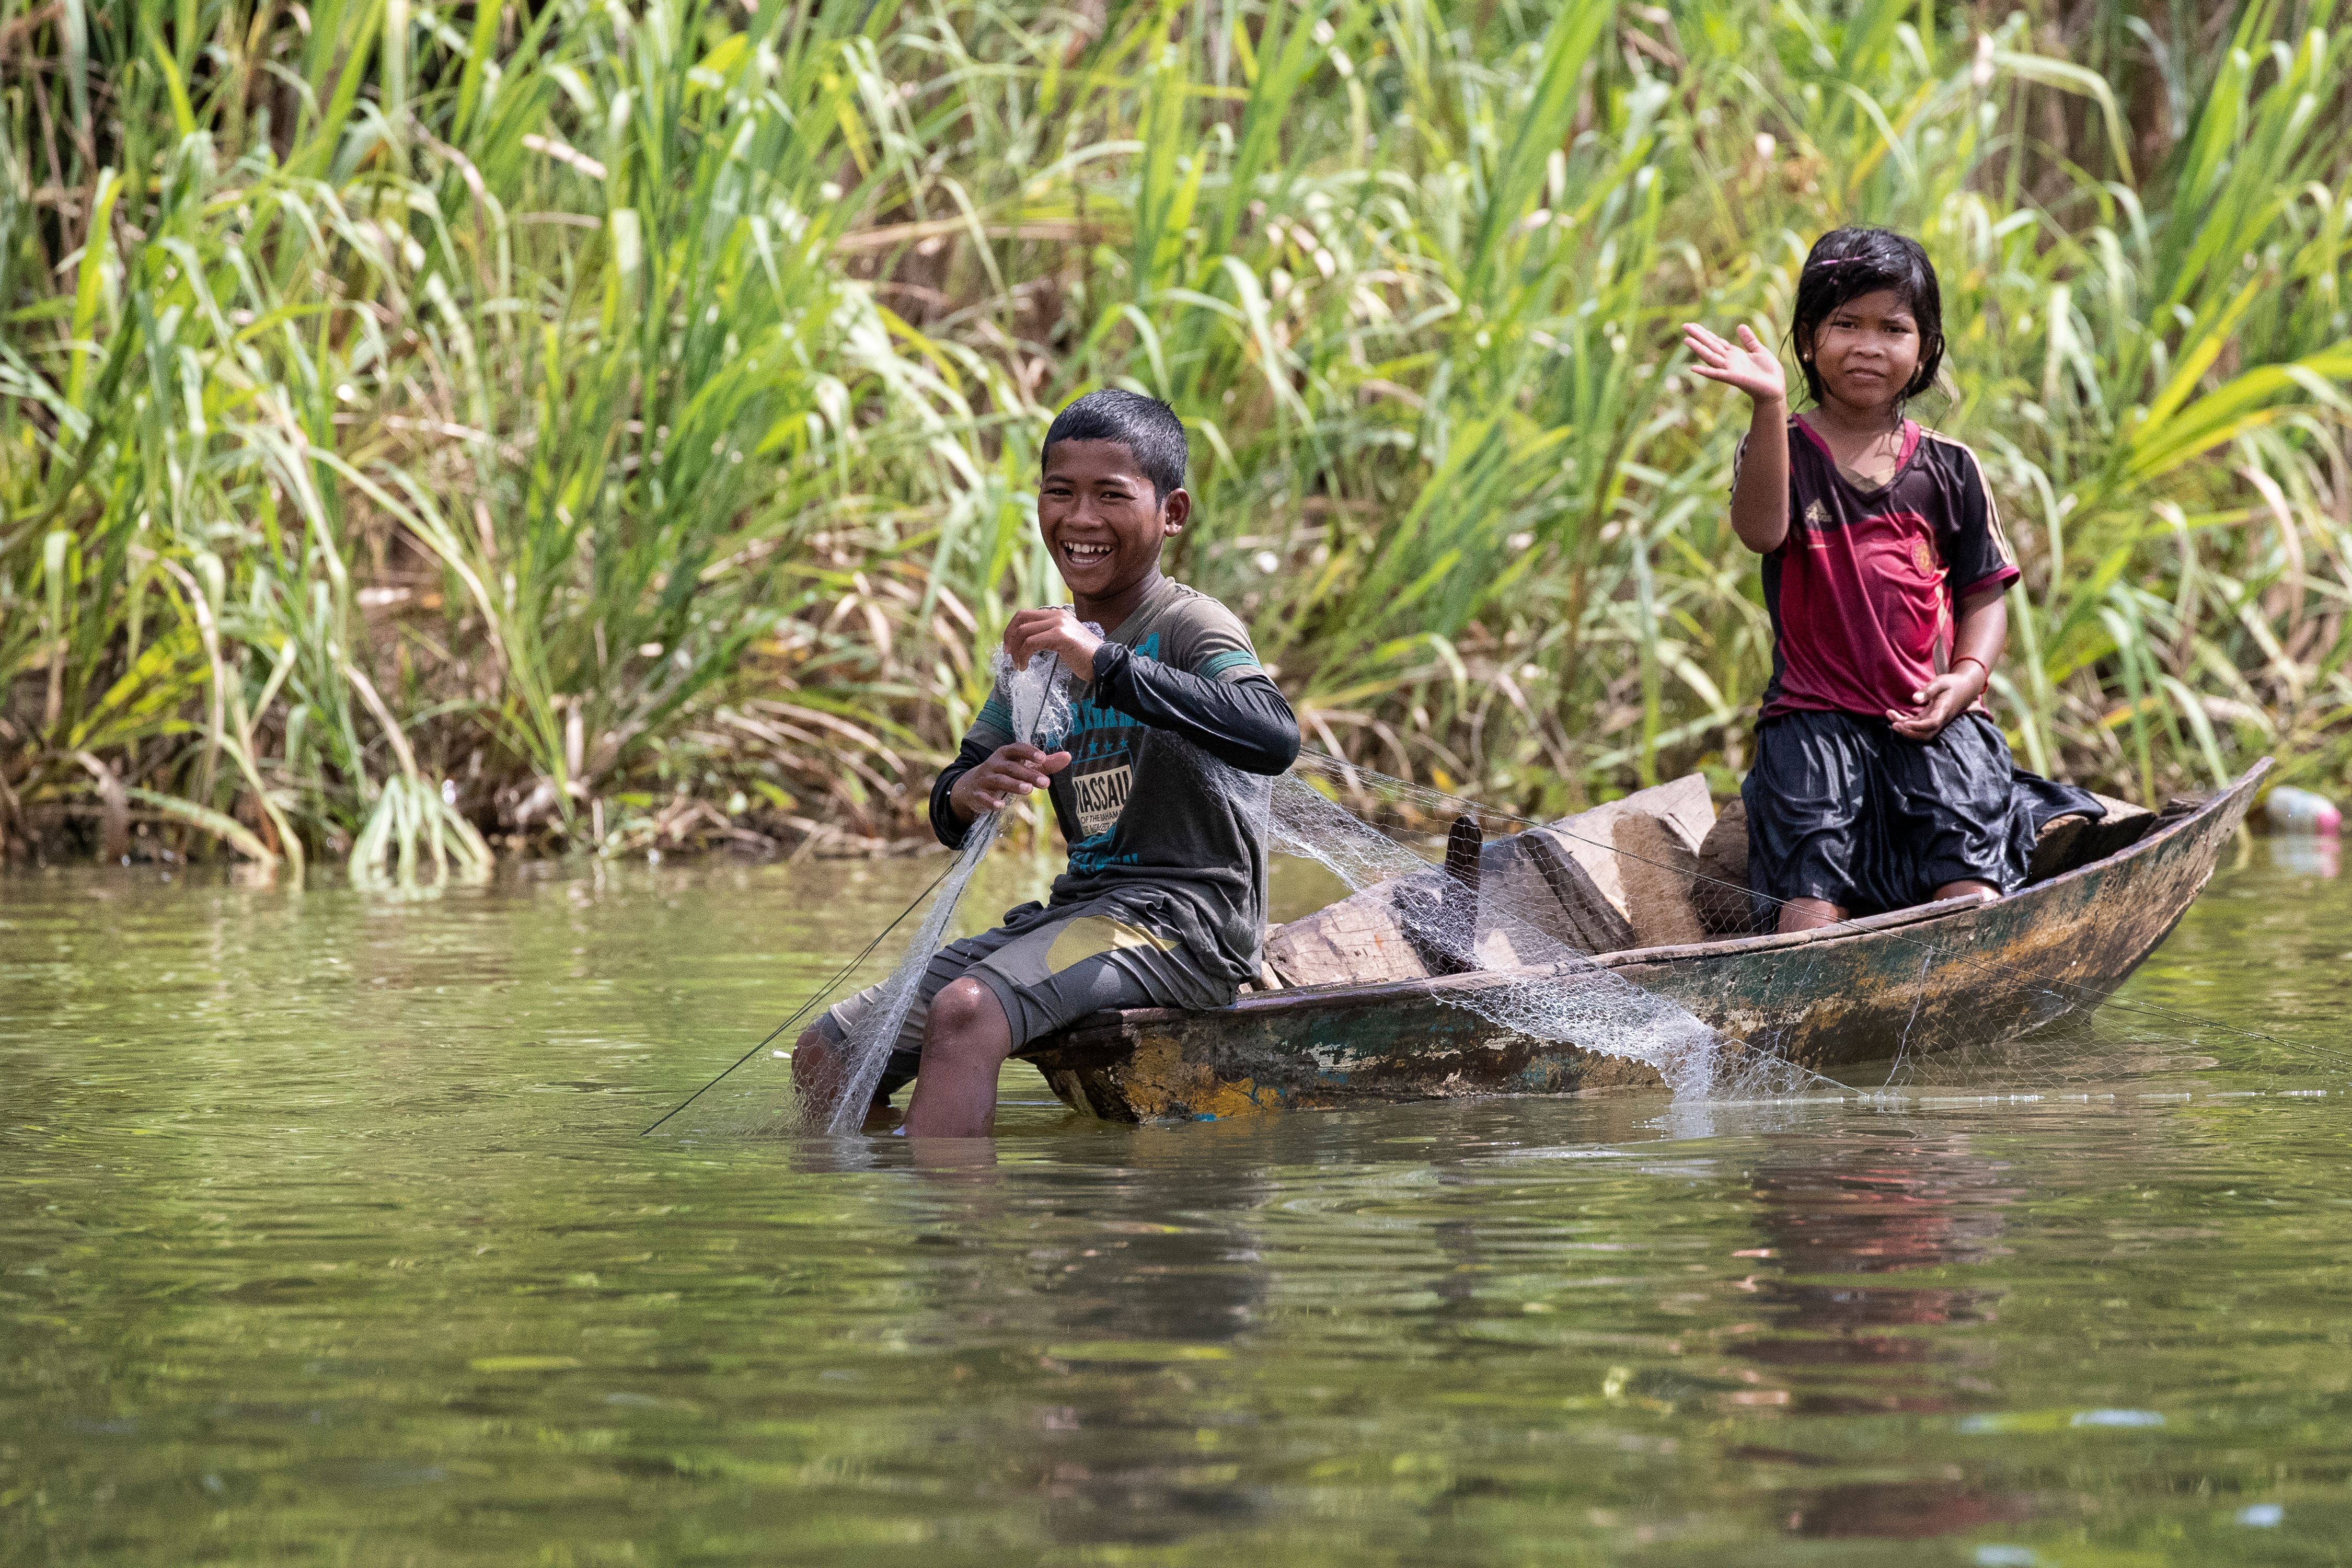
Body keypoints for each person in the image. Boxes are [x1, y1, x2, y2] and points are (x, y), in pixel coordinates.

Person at [793, 389, 1299, 1136]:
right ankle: (888, 1195)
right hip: (1082, 915)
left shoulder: (1189, 624)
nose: (1081, 519)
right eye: (1060, 493)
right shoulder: (1041, 650)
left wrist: (1106, 661)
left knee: (966, 1015)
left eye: (1111, 496)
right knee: (827, 1052)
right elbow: (951, 801)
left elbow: (1272, 735)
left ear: (1173, 513)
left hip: (1183, 925)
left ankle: (963, 1245)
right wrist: (970, 791)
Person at [1680, 226, 2095, 934]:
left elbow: (1983, 595)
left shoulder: (1949, 468)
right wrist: (1767, 405)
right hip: (1812, 720)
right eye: (1846, 324)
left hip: (1926, 715)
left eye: (1892, 328)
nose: (1869, 345)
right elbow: (1761, 533)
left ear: (1925, 350)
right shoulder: (1781, 448)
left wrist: (1965, 681)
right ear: (1808, 340)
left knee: (1969, 870)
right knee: (1808, 895)